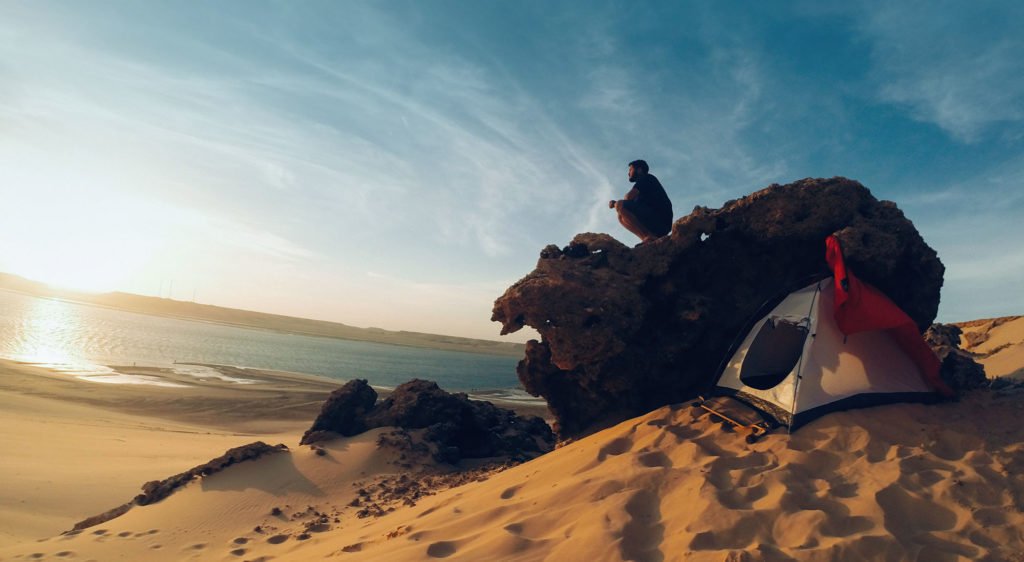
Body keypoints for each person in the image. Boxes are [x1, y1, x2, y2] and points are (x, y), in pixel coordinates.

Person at [609, 159, 673, 244]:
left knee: (620, 205)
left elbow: (628, 197)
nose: (628, 173)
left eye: (630, 170)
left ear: (639, 170)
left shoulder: (646, 178)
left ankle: (648, 237)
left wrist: (616, 204)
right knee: (620, 216)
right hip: (659, 223)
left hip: (661, 221)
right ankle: (649, 238)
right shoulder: (643, 190)